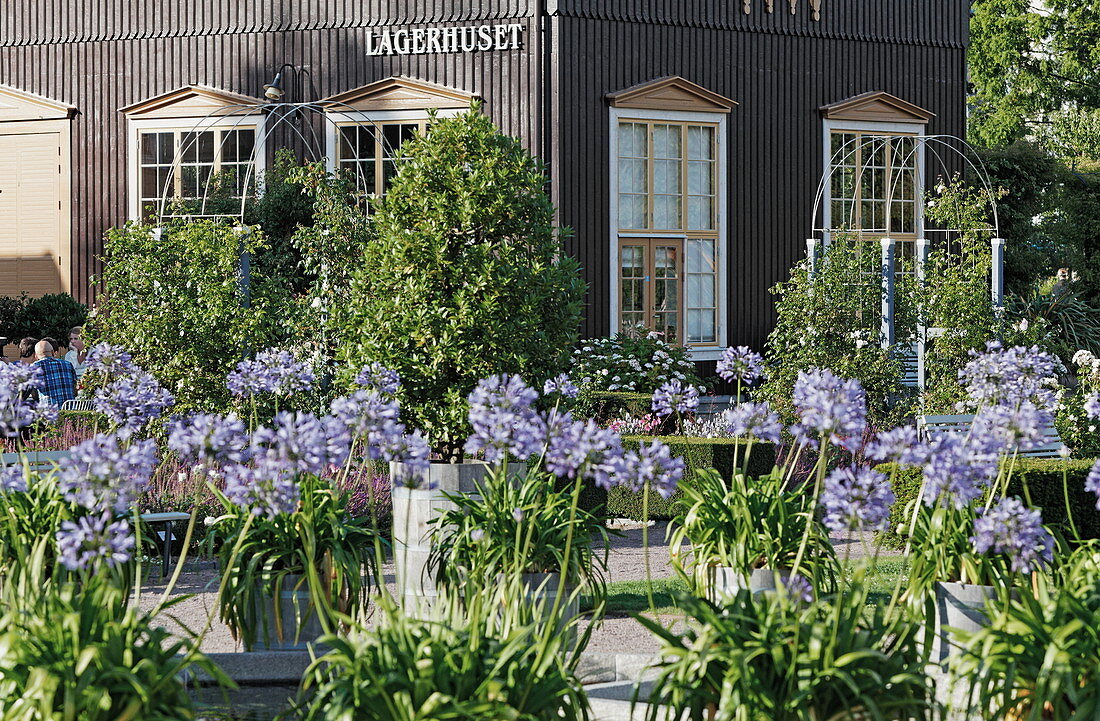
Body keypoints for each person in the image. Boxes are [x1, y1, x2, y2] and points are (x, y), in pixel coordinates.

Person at [32, 339, 76, 406]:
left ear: (36, 356)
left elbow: (30, 391)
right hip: (70, 411)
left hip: (49, 412)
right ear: (53, 352)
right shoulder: (68, 364)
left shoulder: (34, 367)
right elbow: (75, 388)